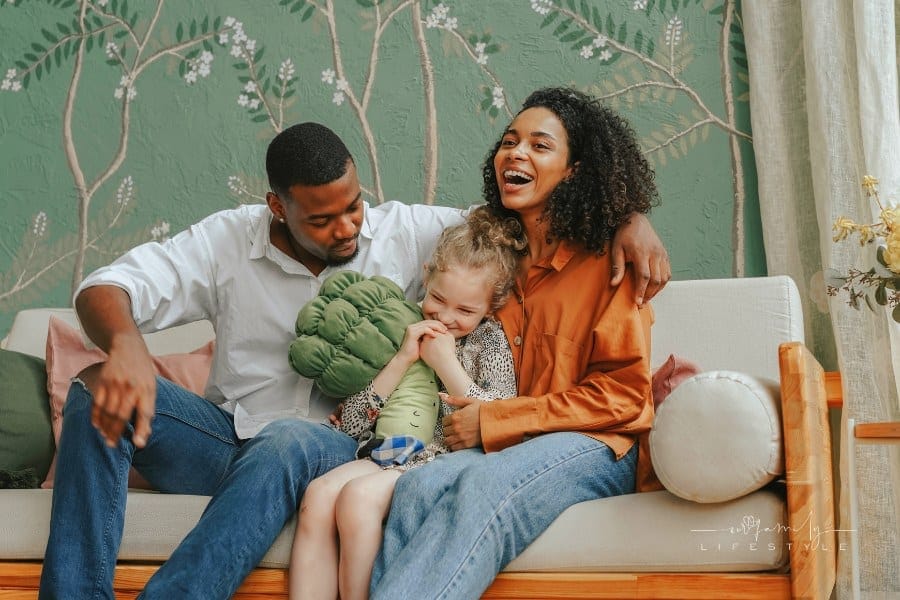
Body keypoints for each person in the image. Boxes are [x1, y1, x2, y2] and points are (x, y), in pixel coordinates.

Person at [38, 119, 668, 599]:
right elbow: (107, 286)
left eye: (354, 206)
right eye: (324, 218)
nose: (348, 228)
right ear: (277, 207)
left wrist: (627, 217)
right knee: (94, 390)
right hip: (228, 441)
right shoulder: (225, 241)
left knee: (287, 440)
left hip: (337, 442)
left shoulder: (406, 232)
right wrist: (125, 346)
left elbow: (524, 218)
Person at [369, 87, 660, 599]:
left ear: (574, 170)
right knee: (415, 490)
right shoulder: (493, 258)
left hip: (595, 446)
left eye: (540, 145)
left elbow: (625, 397)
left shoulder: (610, 261)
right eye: (510, 141)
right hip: (506, 444)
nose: (517, 153)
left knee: (484, 487)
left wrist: (633, 220)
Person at [289, 207, 522, 600]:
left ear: (491, 306)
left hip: (443, 459)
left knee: (357, 499)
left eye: (465, 311)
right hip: (386, 451)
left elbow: (500, 419)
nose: (446, 317)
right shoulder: (400, 328)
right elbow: (349, 426)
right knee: (318, 495)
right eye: (438, 299)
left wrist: (447, 364)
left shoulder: (489, 340)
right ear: (427, 276)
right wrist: (401, 359)